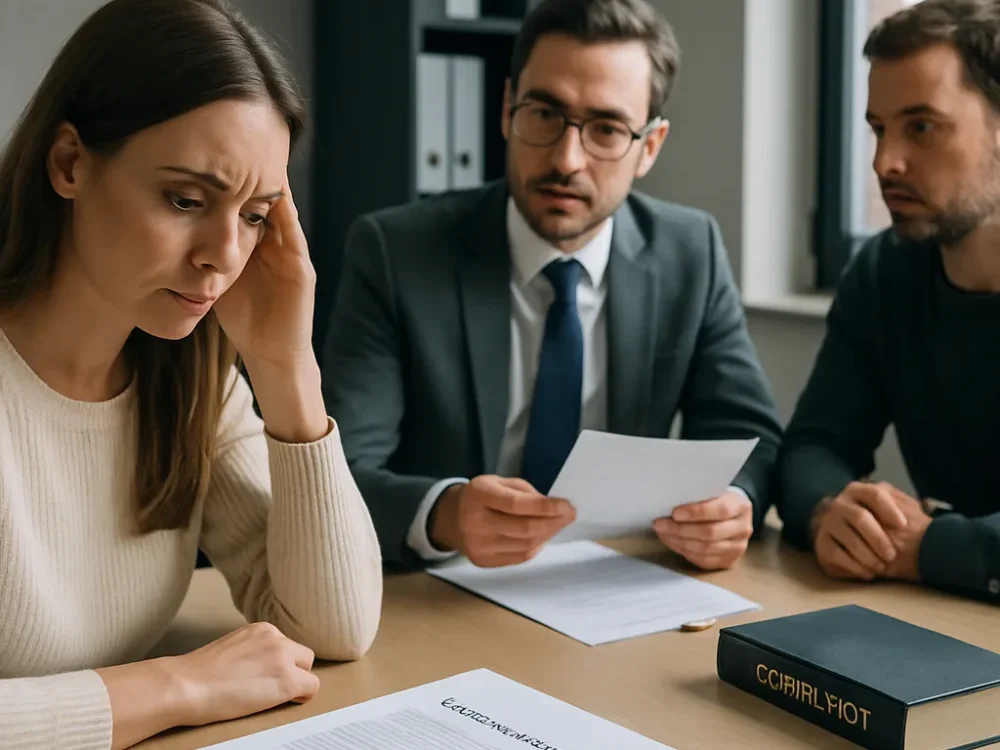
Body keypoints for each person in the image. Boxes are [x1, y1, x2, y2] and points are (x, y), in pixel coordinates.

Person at [0, 1, 383, 747]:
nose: (224, 255)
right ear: (70, 162)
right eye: (186, 200)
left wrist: (287, 370)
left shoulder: (193, 377)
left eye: (253, 214)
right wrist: (178, 685)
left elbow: (334, 628)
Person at [322, 0, 783, 572]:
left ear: (651, 147)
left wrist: (733, 504)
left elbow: (751, 436)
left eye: (607, 129)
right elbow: (335, 473)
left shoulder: (689, 251)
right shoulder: (396, 253)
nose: (567, 160)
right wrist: (445, 513)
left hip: (615, 580)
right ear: (507, 108)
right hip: (440, 588)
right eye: (544, 114)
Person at [776, 0, 1000, 603]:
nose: (884, 162)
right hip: (945, 623)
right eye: (879, 129)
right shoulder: (884, 272)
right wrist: (831, 513)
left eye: (921, 127)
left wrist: (930, 548)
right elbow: (811, 448)